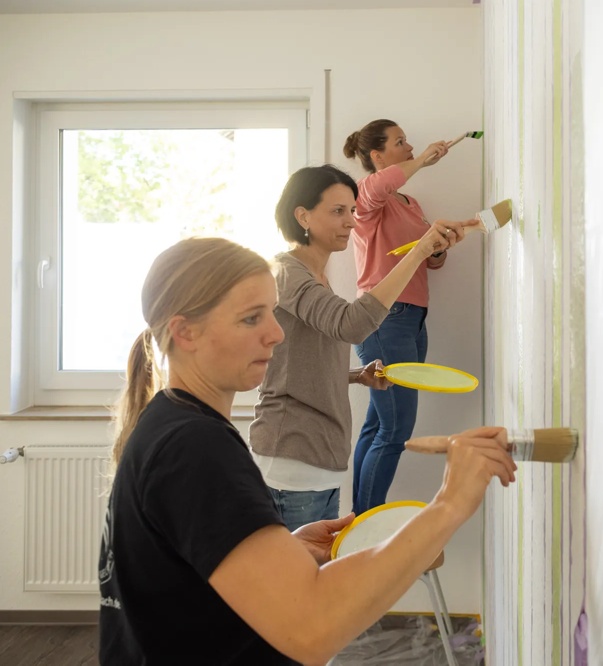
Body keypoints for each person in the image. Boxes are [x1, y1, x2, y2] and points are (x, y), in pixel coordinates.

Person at [98, 236, 517, 665]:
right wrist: (449, 506)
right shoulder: (192, 447)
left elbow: (185, 581)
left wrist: (285, 551)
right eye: (251, 319)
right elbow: (312, 629)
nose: (276, 333)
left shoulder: (171, 422)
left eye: (272, 313)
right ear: (185, 332)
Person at [249, 165, 474, 531]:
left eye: (352, 211)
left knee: (317, 579)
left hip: (319, 460)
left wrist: (356, 376)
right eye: (338, 211)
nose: (351, 222)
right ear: (303, 215)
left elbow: (300, 362)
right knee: (300, 585)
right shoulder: (288, 273)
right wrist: (416, 253)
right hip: (292, 457)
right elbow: (352, 325)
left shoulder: (316, 277)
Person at [344, 119, 472, 514]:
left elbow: (428, 263)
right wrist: (425, 161)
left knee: (379, 426)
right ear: (378, 156)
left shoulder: (410, 204)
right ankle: (365, 524)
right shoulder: (366, 200)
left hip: (412, 320)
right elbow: (380, 185)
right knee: (395, 430)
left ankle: (358, 519)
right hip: (383, 321)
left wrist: (438, 248)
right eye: (400, 142)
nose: (410, 146)